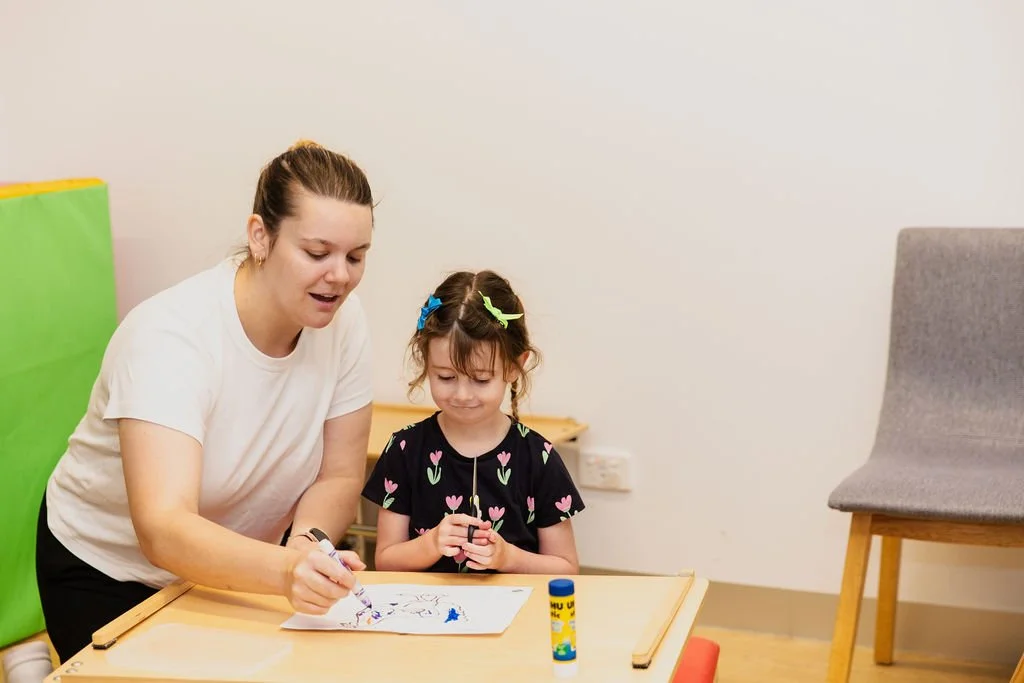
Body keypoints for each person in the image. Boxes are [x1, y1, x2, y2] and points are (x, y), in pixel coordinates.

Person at [36, 140, 376, 662]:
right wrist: (285, 570)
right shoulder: (170, 337)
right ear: (259, 236)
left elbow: (339, 474)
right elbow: (164, 527)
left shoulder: (344, 323)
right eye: (316, 253)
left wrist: (306, 550)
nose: (340, 276)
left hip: (229, 569)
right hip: (109, 570)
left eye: (355, 257)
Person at [361, 270, 585, 574]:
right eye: (446, 377)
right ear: (425, 361)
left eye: (481, 379)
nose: (462, 394)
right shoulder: (405, 449)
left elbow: (566, 567)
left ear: (515, 366)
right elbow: (386, 561)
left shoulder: (538, 458)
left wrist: (509, 558)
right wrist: (430, 543)